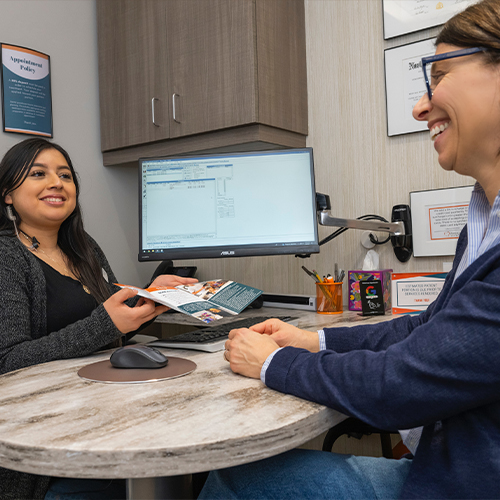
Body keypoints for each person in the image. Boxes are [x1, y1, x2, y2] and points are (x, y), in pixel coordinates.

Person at [199, 1, 500, 498]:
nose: (420, 107)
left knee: (237, 475)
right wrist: (312, 342)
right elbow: (429, 330)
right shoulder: (482, 220)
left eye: (440, 75)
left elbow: (398, 385)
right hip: (450, 469)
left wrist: (273, 363)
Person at [0, 138, 197, 500]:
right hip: (49, 441)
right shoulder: (6, 257)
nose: (57, 183)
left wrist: (152, 298)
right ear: (8, 194)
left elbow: (109, 324)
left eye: (65, 175)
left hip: (106, 413)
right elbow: (7, 361)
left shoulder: (83, 247)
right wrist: (107, 324)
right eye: (38, 174)